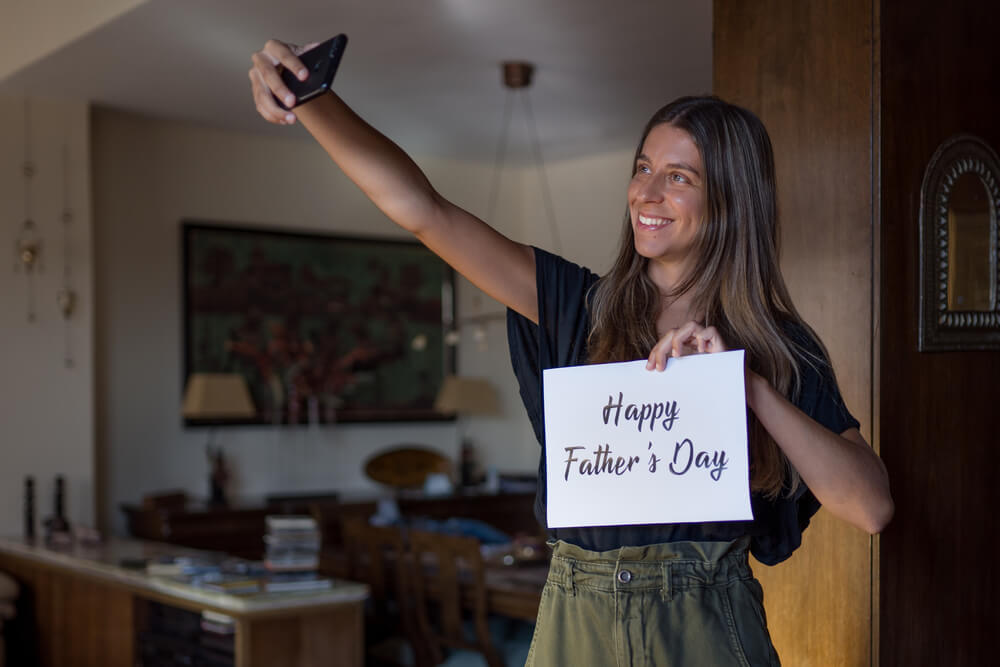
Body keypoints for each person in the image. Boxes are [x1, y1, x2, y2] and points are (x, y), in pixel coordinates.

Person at [249, 39, 894, 666]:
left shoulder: (778, 346)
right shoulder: (573, 306)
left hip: (705, 626)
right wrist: (313, 101)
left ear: (729, 200)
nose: (646, 194)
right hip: (574, 622)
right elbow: (424, 212)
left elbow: (870, 507)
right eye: (642, 168)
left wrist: (740, 383)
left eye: (678, 177)